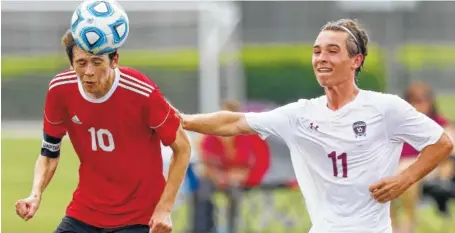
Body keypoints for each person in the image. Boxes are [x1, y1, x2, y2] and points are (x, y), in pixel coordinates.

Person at [179, 18, 454, 233]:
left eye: (332, 51)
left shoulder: (385, 108)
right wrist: (180, 120)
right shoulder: (300, 114)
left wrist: (404, 179)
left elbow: (441, 142)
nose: (321, 58)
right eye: (317, 51)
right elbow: (234, 121)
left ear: (355, 61)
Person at [14, 30, 191, 233]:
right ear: (71, 63)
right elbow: (49, 153)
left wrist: (164, 209)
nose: (89, 71)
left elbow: (183, 147)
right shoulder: (60, 89)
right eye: (81, 63)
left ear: (114, 60)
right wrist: (35, 194)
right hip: (85, 213)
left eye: (97, 62)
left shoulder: (142, 91)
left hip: (140, 218)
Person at [192, 100, 270, 233]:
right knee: (201, 189)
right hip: (216, 178)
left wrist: (246, 176)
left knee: (234, 192)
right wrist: (218, 176)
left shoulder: (251, 136)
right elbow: (206, 161)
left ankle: (231, 228)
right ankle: (203, 228)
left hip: (241, 180)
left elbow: (262, 161)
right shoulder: (211, 136)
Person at [391, 81, 452, 233]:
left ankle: (409, 224)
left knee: (409, 175)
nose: (419, 105)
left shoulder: (441, 124)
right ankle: (392, 225)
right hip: (399, 169)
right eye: (414, 101)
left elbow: (448, 153)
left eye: (423, 100)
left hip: (430, 169)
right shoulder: (400, 127)